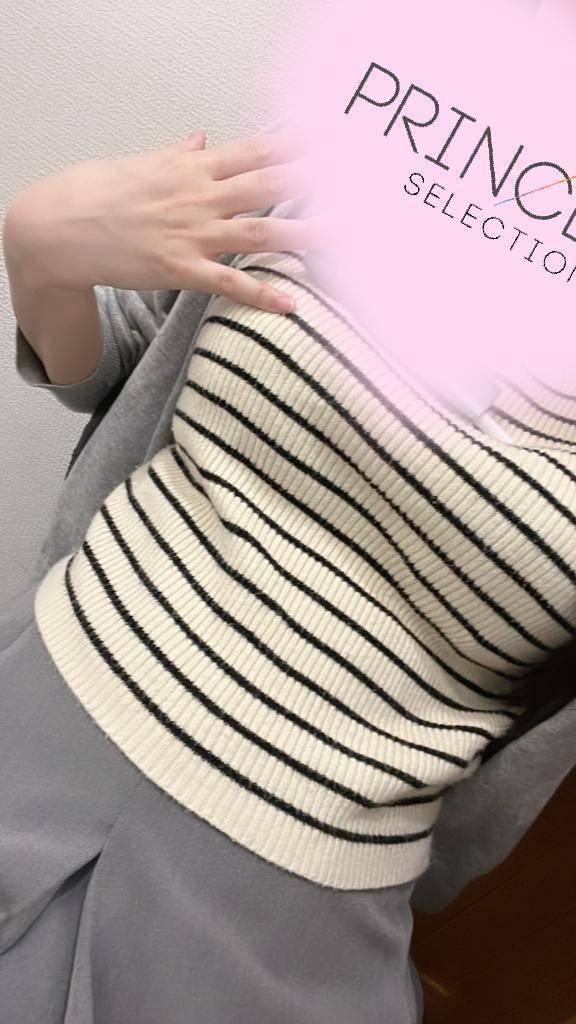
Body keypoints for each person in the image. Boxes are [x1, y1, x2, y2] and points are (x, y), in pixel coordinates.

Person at [1, 122, 575, 1024]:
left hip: (299, 921)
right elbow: (115, 362)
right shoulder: (373, 141)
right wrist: (40, 252)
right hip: (35, 719)